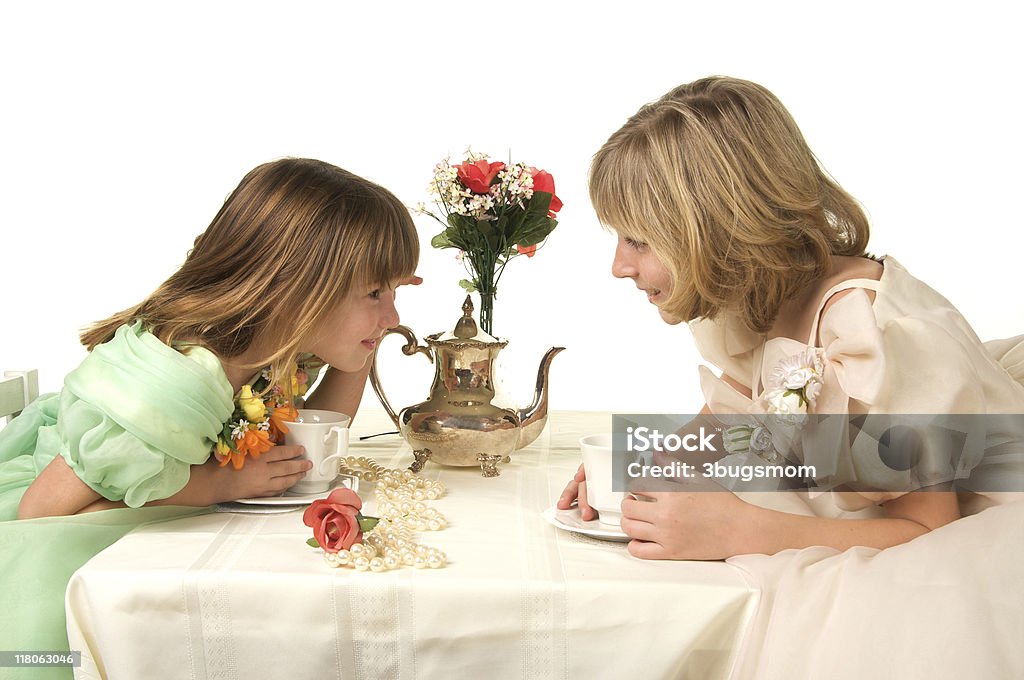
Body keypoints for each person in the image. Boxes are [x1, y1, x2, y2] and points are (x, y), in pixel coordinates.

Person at [558, 76, 1024, 561]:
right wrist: (638, 472)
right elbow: (726, 423)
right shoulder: (761, 297)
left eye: (638, 240)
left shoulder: (867, 341)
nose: (619, 267)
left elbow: (932, 531)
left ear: (719, 228)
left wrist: (738, 530)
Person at [0, 157, 420, 667]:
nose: (395, 315)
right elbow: (39, 512)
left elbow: (311, 436)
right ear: (295, 288)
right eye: (375, 292)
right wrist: (221, 484)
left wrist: (366, 340)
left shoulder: (276, 346)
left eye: (395, 291)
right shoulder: (177, 382)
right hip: (55, 569)